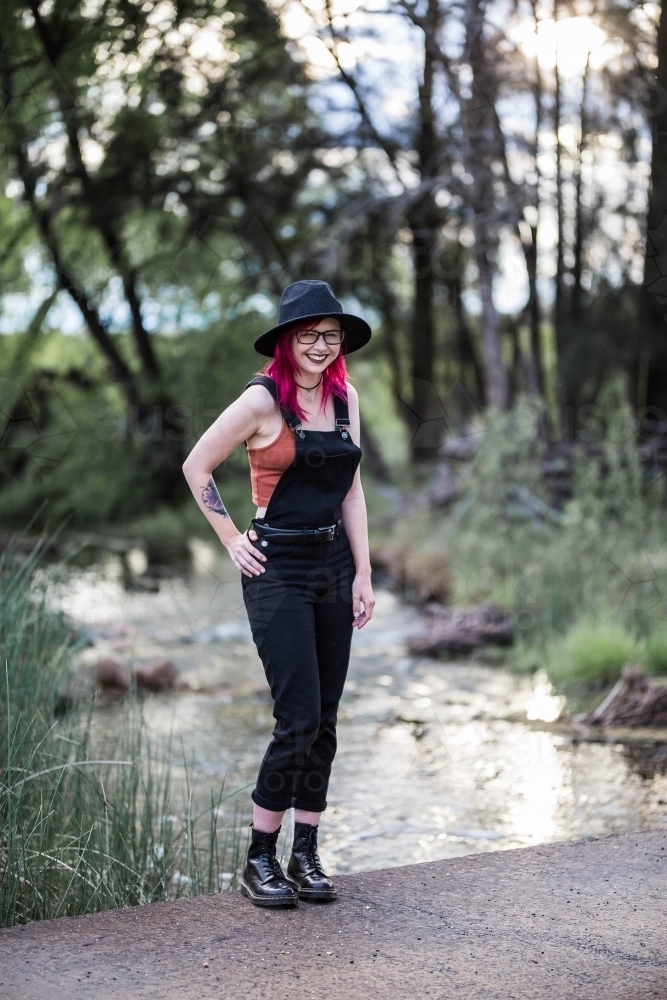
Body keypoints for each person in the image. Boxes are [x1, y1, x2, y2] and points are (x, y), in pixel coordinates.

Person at [182, 279, 376, 907]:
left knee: (325, 720)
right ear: (287, 342)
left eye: (330, 336)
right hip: (277, 568)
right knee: (296, 716)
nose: (321, 346)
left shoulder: (346, 399)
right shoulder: (261, 400)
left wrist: (365, 574)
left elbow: (351, 490)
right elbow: (196, 465)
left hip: (334, 565)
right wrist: (231, 537)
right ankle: (259, 858)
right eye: (308, 336)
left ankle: (307, 854)